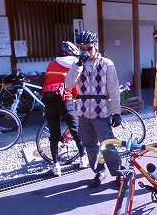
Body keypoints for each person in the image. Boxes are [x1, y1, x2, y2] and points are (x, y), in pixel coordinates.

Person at [65, 31, 122, 188]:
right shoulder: (77, 64)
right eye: (82, 49)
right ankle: (98, 171)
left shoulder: (106, 64)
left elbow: (114, 89)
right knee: (90, 145)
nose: (86, 52)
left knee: (107, 145)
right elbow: (69, 84)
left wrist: (116, 112)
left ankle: (118, 173)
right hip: (83, 111)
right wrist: (77, 64)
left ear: (96, 46)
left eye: (89, 48)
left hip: (101, 111)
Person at [43, 41, 88, 177]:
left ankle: (56, 166)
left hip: (50, 102)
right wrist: (75, 95)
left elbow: (47, 80)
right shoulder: (73, 65)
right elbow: (73, 85)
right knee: (76, 131)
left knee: (54, 135)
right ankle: (82, 159)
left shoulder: (51, 64)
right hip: (65, 101)